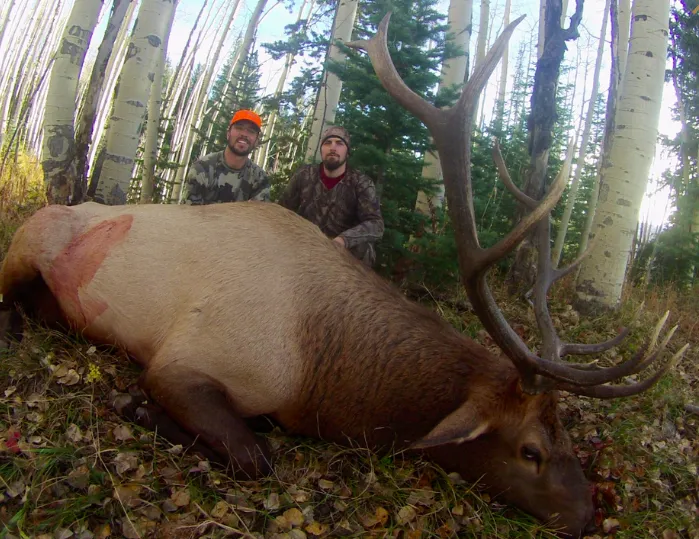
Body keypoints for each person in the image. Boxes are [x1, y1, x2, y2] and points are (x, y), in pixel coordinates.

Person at [279, 126, 384, 267]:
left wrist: (343, 240)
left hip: (343, 252)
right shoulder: (304, 175)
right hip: (305, 244)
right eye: (328, 143)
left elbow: (376, 224)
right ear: (321, 149)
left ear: (347, 152)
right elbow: (282, 210)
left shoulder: (361, 182)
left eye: (339, 144)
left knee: (364, 248)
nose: (333, 148)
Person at [180, 109, 270, 204]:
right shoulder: (202, 168)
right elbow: (189, 213)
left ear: (256, 141)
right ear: (228, 134)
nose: (244, 134)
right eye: (239, 128)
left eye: (251, 131)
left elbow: (258, 215)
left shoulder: (259, 178)